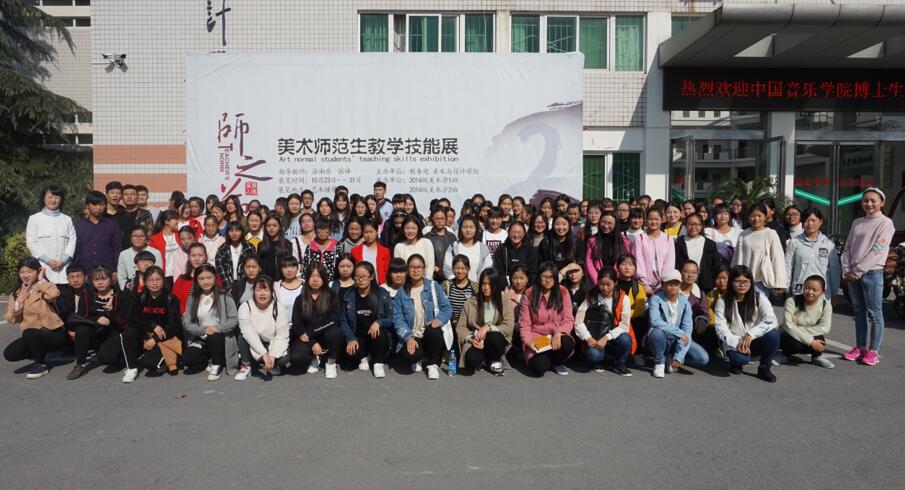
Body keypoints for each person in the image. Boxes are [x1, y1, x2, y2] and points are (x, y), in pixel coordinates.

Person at [100, 266, 183, 383]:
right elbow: (132, 318)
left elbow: (174, 325)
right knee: (129, 333)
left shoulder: (171, 298)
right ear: (145, 281)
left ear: (163, 280)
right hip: (144, 335)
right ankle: (132, 368)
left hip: (164, 338)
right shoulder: (140, 297)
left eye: (158, 279)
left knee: (149, 363)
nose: (154, 283)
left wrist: (155, 339)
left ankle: (164, 358)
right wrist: (152, 326)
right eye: (151, 280)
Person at [841, 188, 895, 366]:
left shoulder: (886, 223)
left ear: (882, 202)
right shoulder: (857, 222)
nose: (869, 204)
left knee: (875, 313)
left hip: (872, 272)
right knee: (859, 312)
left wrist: (858, 270)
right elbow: (848, 247)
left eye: (873, 200)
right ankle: (860, 347)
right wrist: (847, 269)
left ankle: (873, 351)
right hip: (853, 273)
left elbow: (879, 250)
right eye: (865, 200)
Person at [714, 265, 780, 382]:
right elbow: (721, 329)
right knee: (739, 359)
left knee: (774, 335)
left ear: (751, 283)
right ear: (731, 282)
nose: (742, 285)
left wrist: (750, 334)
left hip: (754, 339)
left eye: (745, 281)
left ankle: (764, 367)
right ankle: (736, 363)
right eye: (737, 281)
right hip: (735, 342)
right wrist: (739, 343)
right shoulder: (722, 301)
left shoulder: (759, 298)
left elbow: (771, 320)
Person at [392, 254, 453, 380]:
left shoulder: (433, 286)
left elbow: (447, 308)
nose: (416, 270)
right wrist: (408, 337)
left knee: (434, 331)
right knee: (411, 356)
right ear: (407, 270)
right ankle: (419, 358)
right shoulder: (402, 292)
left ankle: (432, 364)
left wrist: (439, 320)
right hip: (413, 333)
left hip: (430, 332)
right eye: (412, 267)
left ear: (424, 269)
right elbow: (398, 319)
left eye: (419, 267)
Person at [3, 258, 65, 379]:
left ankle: (41, 364)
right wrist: (19, 302)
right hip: (33, 337)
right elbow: (11, 319)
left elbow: (53, 294)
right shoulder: (17, 293)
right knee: (10, 354)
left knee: (29, 332)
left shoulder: (43, 286)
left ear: (38, 271)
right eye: (22, 272)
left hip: (53, 334)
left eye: (30, 271)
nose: (25, 275)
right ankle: (40, 352)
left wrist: (41, 280)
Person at [65, 266, 130, 380]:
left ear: (111, 279)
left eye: (103, 279)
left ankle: (121, 357)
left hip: (115, 334)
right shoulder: (87, 295)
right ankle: (80, 365)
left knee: (107, 358)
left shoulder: (120, 295)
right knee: (82, 329)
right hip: (95, 334)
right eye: (96, 280)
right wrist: (97, 319)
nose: (100, 283)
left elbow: (125, 323)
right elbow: (81, 317)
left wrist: (111, 313)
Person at [646, 269, 710, 379]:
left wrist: (679, 356)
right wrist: (679, 333)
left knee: (703, 358)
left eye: (676, 283)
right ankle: (659, 362)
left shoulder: (685, 303)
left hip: (677, 340)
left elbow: (687, 330)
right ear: (663, 284)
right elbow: (655, 321)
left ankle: (671, 358)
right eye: (669, 283)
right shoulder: (655, 299)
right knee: (656, 333)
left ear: (680, 284)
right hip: (662, 337)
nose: (673, 286)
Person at [182, 264, 239, 381]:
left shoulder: (225, 296)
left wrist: (217, 328)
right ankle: (208, 359)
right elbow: (187, 323)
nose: (206, 281)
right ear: (196, 280)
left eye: (209, 277)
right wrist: (203, 330)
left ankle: (217, 364)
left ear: (215, 278)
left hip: (221, 337)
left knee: (213, 336)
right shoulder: (192, 298)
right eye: (201, 278)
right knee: (188, 359)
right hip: (201, 337)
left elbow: (234, 319)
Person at [573, 268, 634, 376]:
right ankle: (599, 361)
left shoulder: (624, 298)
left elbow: (624, 326)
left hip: (614, 337)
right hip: (595, 336)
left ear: (615, 283)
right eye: (601, 284)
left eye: (608, 284)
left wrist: (606, 338)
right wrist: (588, 337)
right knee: (593, 355)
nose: (604, 287)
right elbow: (578, 321)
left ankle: (619, 362)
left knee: (625, 339)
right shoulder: (590, 296)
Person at [518, 261, 575, 377]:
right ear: (539, 277)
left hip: (556, 335)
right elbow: (524, 323)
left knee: (567, 343)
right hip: (537, 336)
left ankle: (555, 362)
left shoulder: (563, 292)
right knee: (539, 368)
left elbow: (569, 319)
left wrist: (559, 332)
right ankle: (546, 359)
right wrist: (527, 341)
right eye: (544, 276)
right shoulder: (529, 293)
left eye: (551, 277)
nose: (548, 280)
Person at [339, 262, 395, 379]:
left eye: (364, 276)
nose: (360, 280)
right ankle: (364, 357)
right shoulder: (349, 295)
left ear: (372, 277)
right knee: (348, 361)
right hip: (358, 336)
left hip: (376, 337)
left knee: (379, 333)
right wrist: (350, 338)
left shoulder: (382, 294)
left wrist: (379, 322)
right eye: (357, 277)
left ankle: (378, 363)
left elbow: (392, 318)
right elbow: (343, 320)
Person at [290, 263, 345, 379]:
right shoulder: (300, 299)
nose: (315, 280)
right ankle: (314, 357)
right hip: (307, 338)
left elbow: (334, 319)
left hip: (325, 334)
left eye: (319, 276)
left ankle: (330, 361)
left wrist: (311, 332)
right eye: (312, 276)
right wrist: (312, 342)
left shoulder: (332, 295)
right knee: (297, 358)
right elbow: (297, 322)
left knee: (336, 333)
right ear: (307, 278)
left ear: (324, 278)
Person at [456, 268, 514, 376]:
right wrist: (470, 339)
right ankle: (484, 359)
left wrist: (488, 327)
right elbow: (461, 327)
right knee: (471, 361)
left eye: (489, 284)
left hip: (495, 339)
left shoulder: (505, 301)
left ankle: (495, 361)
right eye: (483, 283)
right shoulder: (471, 302)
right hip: (476, 339)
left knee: (495, 337)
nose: (486, 287)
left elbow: (509, 325)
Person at [235, 276, 291, 381]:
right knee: (242, 336)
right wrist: (264, 354)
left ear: (272, 292)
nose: (262, 293)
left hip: (271, 342)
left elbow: (282, 334)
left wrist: (272, 356)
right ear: (253, 291)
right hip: (254, 342)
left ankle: (273, 364)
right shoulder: (245, 307)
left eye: (266, 290)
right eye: (258, 290)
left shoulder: (279, 307)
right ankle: (246, 365)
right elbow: (248, 332)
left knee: (283, 359)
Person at [732, 204, 788, 297]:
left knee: (761, 304)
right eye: (753, 216)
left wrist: (779, 282)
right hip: (744, 280)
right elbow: (737, 256)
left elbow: (778, 258)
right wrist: (735, 276)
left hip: (763, 281)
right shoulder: (743, 234)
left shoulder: (770, 233)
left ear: (765, 217)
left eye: (759, 216)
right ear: (748, 217)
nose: (756, 219)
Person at [779, 275, 834, 369]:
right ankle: (784, 354)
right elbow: (788, 326)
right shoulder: (791, 301)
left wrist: (798, 327)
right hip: (789, 336)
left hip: (801, 333)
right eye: (806, 288)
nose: (809, 292)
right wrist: (810, 341)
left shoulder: (826, 305)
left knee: (820, 339)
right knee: (794, 342)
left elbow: (825, 328)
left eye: (814, 290)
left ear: (822, 292)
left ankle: (816, 357)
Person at [785, 208, 841, 299]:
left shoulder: (829, 244)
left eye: (813, 220)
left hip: (823, 294)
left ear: (820, 222)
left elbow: (834, 270)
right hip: (800, 291)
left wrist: (834, 292)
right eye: (806, 221)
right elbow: (788, 267)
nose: (810, 224)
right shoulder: (795, 242)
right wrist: (787, 288)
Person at [26, 185, 76, 286]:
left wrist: (63, 261)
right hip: (43, 270)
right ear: (43, 198)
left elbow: (72, 241)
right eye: (50, 197)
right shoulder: (34, 219)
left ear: (61, 200)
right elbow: (31, 242)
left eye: (57, 197)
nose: (53, 200)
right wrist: (47, 260)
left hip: (64, 271)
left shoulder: (67, 219)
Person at [73, 191, 123, 272]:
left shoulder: (112, 225)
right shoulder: (78, 225)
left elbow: (117, 248)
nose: (98, 208)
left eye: (102, 204)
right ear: (87, 205)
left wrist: (116, 269)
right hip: (84, 270)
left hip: (107, 270)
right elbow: (75, 249)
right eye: (94, 204)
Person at [633, 208, 676, 295]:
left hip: (663, 285)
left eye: (656, 219)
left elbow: (669, 263)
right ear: (646, 220)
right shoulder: (640, 238)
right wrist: (645, 286)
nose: (653, 222)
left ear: (662, 220)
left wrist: (662, 285)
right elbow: (638, 263)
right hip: (642, 285)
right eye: (650, 219)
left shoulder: (668, 239)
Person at [675, 213, 721, 292]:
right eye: (689, 224)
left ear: (702, 225)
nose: (693, 227)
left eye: (696, 224)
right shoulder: (679, 242)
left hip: (705, 284)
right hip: (683, 283)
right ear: (685, 225)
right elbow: (676, 263)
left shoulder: (710, 244)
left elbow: (715, 265)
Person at [442, 215, 492, 282]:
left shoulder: (483, 249)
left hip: (477, 286)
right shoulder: (453, 247)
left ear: (476, 229)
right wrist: (457, 283)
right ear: (460, 229)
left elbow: (488, 268)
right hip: (456, 286)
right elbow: (447, 268)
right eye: (465, 227)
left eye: (471, 227)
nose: (468, 230)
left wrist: (478, 284)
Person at [585, 213, 629, 283]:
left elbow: (626, 261)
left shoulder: (623, 241)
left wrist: (616, 280)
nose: (606, 226)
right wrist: (597, 281)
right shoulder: (593, 240)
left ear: (615, 224)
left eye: (609, 223)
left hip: (618, 280)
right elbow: (589, 261)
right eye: (603, 222)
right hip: (598, 280)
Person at [117, 225, 163, 289]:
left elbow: (159, 273)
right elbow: (121, 277)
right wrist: (126, 289)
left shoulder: (155, 252)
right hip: (131, 290)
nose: (138, 239)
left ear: (146, 237)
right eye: (135, 236)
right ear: (130, 238)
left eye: (142, 236)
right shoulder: (124, 254)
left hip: (151, 288)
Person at [215, 221, 256, 293]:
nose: (234, 233)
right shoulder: (222, 249)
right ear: (227, 233)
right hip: (228, 286)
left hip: (247, 284)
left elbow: (253, 266)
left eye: (237, 230)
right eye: (231, 231)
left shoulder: (249, 247)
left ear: (241, 232)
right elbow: (220, 270)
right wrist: (228, 287)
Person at [394, 215, 436, 280]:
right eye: (407, 228)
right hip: (406, 282)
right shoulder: (399, 246)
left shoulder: (426, 243)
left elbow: (430, 266)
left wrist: (427, 282)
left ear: (418, 229)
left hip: (425, 281)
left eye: (413, 228)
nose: (410, 231)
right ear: (403, 229)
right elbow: (399, 269)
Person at [442, 255, 479, 328]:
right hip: (449, 325)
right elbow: (441, 306)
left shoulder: (475, 287)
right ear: (452, 268)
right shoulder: (446, 285)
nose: (459, 271)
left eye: (463, 268)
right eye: (456, 268)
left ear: (468, 269)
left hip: (468, 326)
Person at [172, 243, 210, 312]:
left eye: (200, 255)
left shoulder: (213, 278)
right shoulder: (181, 280)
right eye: (193, 255)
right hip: (186, 315)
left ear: (206, 257)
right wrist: (185, 313)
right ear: (188, 257)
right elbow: (175, 301)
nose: (197, 259)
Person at [302, 217, 342, 283]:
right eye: (320, 229)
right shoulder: (310, 247)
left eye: (325, 229)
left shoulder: (336, 246)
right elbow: (306, 268)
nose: (322, 232)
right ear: (315, 230)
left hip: (332, 282)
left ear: (330, 230)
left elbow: (340, 265)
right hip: (314, 282)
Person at [350, 220, 390, 285]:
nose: (368, 235)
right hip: (360, 285)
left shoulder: (385, 251)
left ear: (377, 232)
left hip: (380, 286)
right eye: (366, 232)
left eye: (371, 232)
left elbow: (387, 271)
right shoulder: (355, 251)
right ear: (362, 233)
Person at [424, 207, 457, 281]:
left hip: (451, 275)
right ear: (432, 219)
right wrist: (435, 268)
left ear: (446, 219)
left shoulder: (452, 236)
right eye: (436, 218)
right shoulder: (427, 237)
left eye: (442, 218)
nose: (439, 221)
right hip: (433, 276)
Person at [257, 216, 293, 280]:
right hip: (265, 281)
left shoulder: (287, 244)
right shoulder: (261, 245)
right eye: (268, 226)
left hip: (283, 281)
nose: (271, 228)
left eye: (274, 225)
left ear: (279, 227)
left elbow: (290, 264)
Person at [274, 256, 303, 329]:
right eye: (285, 267)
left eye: (292, 267)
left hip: (302, 328)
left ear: (297, 268)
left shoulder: (305, 285)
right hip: (282, 328)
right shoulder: (276, 287)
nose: (289, 270)